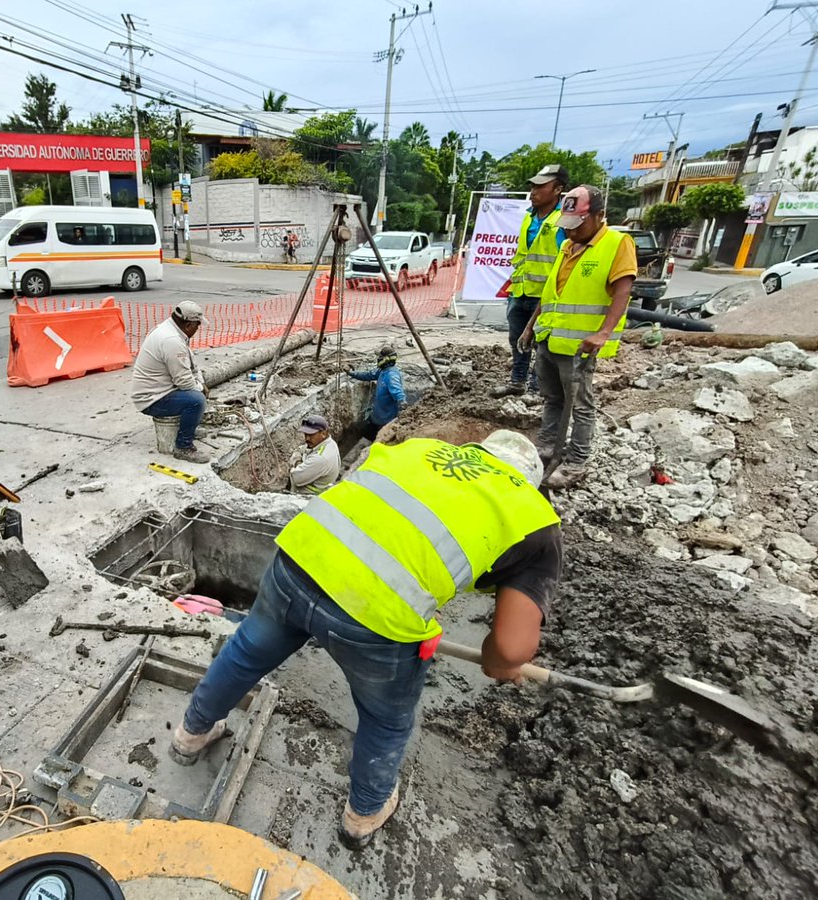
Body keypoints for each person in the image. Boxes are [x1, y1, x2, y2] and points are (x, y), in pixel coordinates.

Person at [168, 430, 562, 849]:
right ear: (529, 483)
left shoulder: (421, 449)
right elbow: (510, 650)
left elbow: (388, 525)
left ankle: (191, 735)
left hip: (301, 556)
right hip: (375, 619)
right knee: (384, 718)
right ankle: (363, 815)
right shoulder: (536, 521)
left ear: (478, 452)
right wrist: (499, 663)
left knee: (245, 652)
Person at [520, 184, 637, 490]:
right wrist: (531, 325)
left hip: (580, 345)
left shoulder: (617, 243)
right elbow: (551, 293)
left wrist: (604, 333)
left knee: (581, 405)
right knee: (552, 399)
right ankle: (546, 448)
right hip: (550, 337)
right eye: (567, 226)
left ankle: (576, 461)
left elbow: (623, 290)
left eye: (577, 225)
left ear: (599, 216)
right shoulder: (567, 247)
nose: (570, 232)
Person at [491, 164, 569, 399]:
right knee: (517, 339)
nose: (533, 191)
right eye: (533, 186)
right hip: (521, 290)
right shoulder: (529, 217)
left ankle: (537, 389)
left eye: (540, 186)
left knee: (541, 344)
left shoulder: (562, 221)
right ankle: (518, 381)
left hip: (546, 294)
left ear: (558, 189)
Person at [131, 301, 211, 464]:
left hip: (161, 390)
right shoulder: (171, 340)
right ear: (189, 324)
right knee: (196, 401)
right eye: (197, 325)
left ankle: (188, 429)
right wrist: (200, 390)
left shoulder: (174, 331)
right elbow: (184, 382)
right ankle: (183, 447)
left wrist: (201, 383)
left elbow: (192, 366)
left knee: (197, 393)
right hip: (151, 399)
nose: (198, 329)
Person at [348, 345, 406, 440]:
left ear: (386, 359)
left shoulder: (391, 375)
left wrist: (403, 407)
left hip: (386, 420)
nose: (378, 359)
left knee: (380, 439)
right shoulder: (383, 371)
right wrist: (351, 373)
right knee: (366, 433)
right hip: (378, 415)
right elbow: (368, 375)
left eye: (380, 357)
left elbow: (398, 393)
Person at [288, 414, 341, 495]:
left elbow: (295, 477)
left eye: (311, 435)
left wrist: (296, 462)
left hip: (306, 498)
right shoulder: (328, 443)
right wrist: (300, 462)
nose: (307, 439)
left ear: (323, 433)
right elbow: (300, 449)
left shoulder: (321, 458)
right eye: (305, 434)